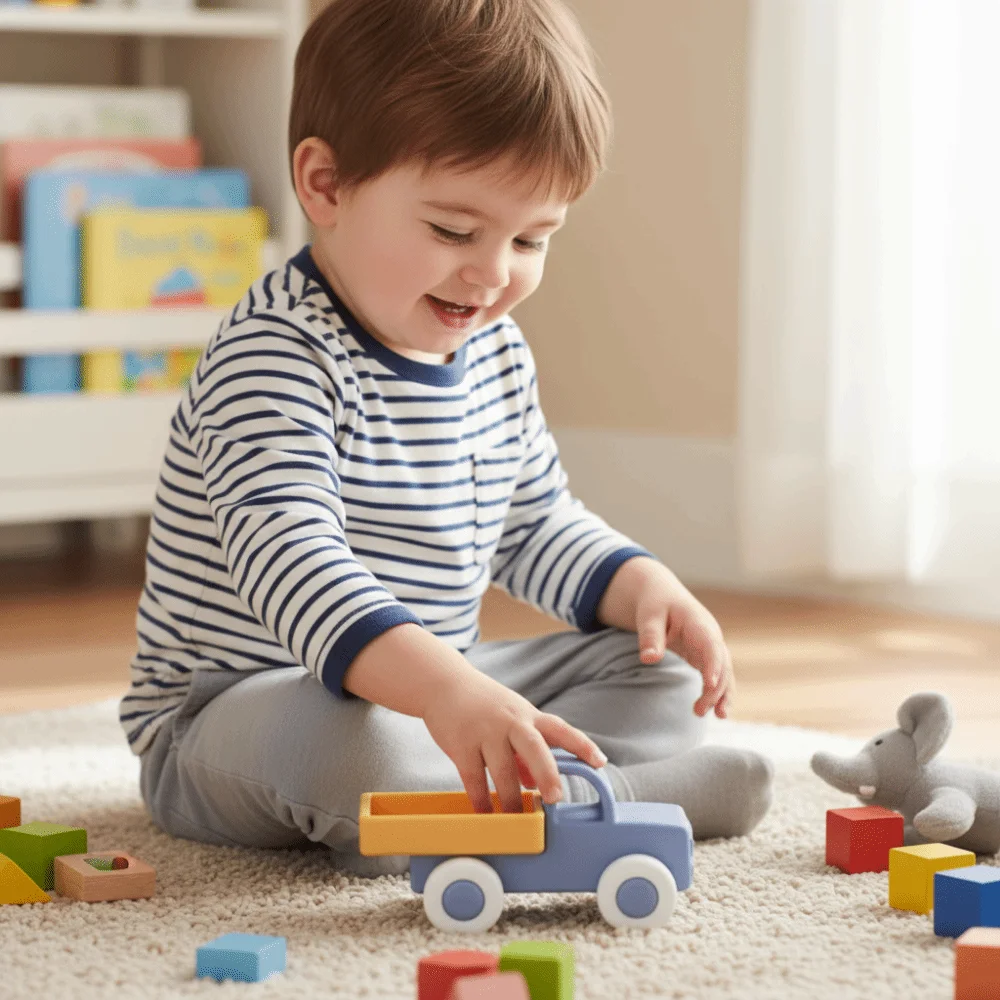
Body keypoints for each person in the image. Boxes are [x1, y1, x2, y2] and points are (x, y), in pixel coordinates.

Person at [121, 0, 773, 876]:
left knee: (661, 669)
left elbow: (533, 523)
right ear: (326, 186)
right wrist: (450, 695)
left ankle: (533, 795)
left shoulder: (494, 352)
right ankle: (601, 799)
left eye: (533, 239)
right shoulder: (274, 356)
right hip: (236, 711)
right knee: (354, 749)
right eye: (454, 231)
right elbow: (294, 565)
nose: (494, 274)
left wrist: (642, 584)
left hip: (435, 684)